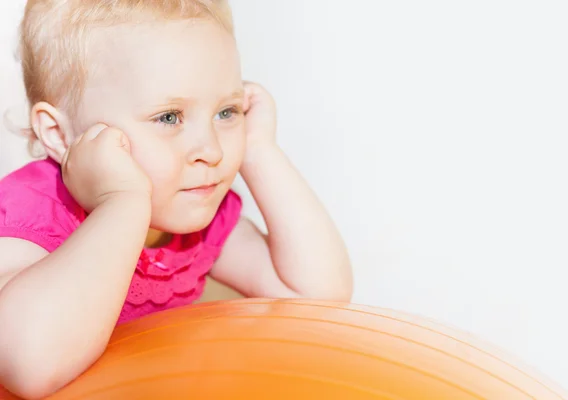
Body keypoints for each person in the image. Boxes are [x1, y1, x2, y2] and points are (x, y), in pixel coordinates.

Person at [0, 1, 353, 398]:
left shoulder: (194, 217)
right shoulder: (29, 217)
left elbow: (318, 293)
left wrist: (259, 151)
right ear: (60, 135)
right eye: (169, 117)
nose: (212, 150)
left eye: (226, 111)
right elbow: (27, 367)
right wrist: (123, 204)